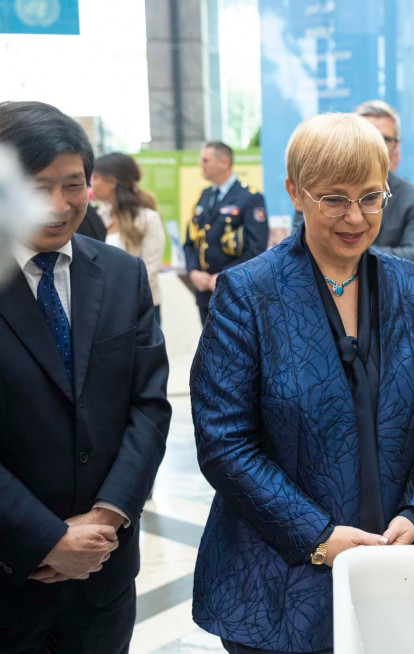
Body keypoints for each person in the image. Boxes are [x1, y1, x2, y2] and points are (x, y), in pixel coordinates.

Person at [190, 113, 414, 653]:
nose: (355, 217)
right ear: (295, 192)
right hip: (277, 581)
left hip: (394, 568)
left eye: (370, 197)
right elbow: (225, 443)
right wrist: (316, 536)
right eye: (333, 199)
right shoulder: (249, 293)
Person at [0, 100, 170, 653]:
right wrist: (46, 539)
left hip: (104, 577)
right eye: (37, 187)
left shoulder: (121, 274)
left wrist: (107, 516)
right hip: (9, 578)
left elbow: (148, 405)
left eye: (73, 184)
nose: (59, 205)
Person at [183, 141, 268, 325]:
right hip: (204, 292)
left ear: (224, 162)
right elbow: (190, 242)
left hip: (234, 291)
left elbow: (257, 249)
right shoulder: (203, 196)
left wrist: (225, 276)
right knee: (208, 349)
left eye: (206, 160)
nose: (201, 165)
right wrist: (192, 272)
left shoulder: (250, 198)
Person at [91, 152, 166, 323]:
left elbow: (150, 270)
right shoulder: (100, 217)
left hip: (140, 308)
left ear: (112, 182)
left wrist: (114, 295)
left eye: (95, 178)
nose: (91, 184)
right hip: (103, 307)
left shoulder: (148, 219)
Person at [354, 100, 414, 264]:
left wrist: (347, 252)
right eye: (369, 137)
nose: (377, 146)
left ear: (397, 146)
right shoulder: (323, 188)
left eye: (386, 140)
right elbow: (305, 245)